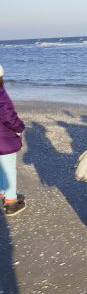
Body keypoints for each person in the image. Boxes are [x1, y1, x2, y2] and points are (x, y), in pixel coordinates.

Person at [0, 64, 26, 216]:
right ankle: (11, 202)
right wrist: (19, 127)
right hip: (3, 139)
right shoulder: (0, 93)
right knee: (8, 169)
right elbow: (8, 116)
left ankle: (4, 193)